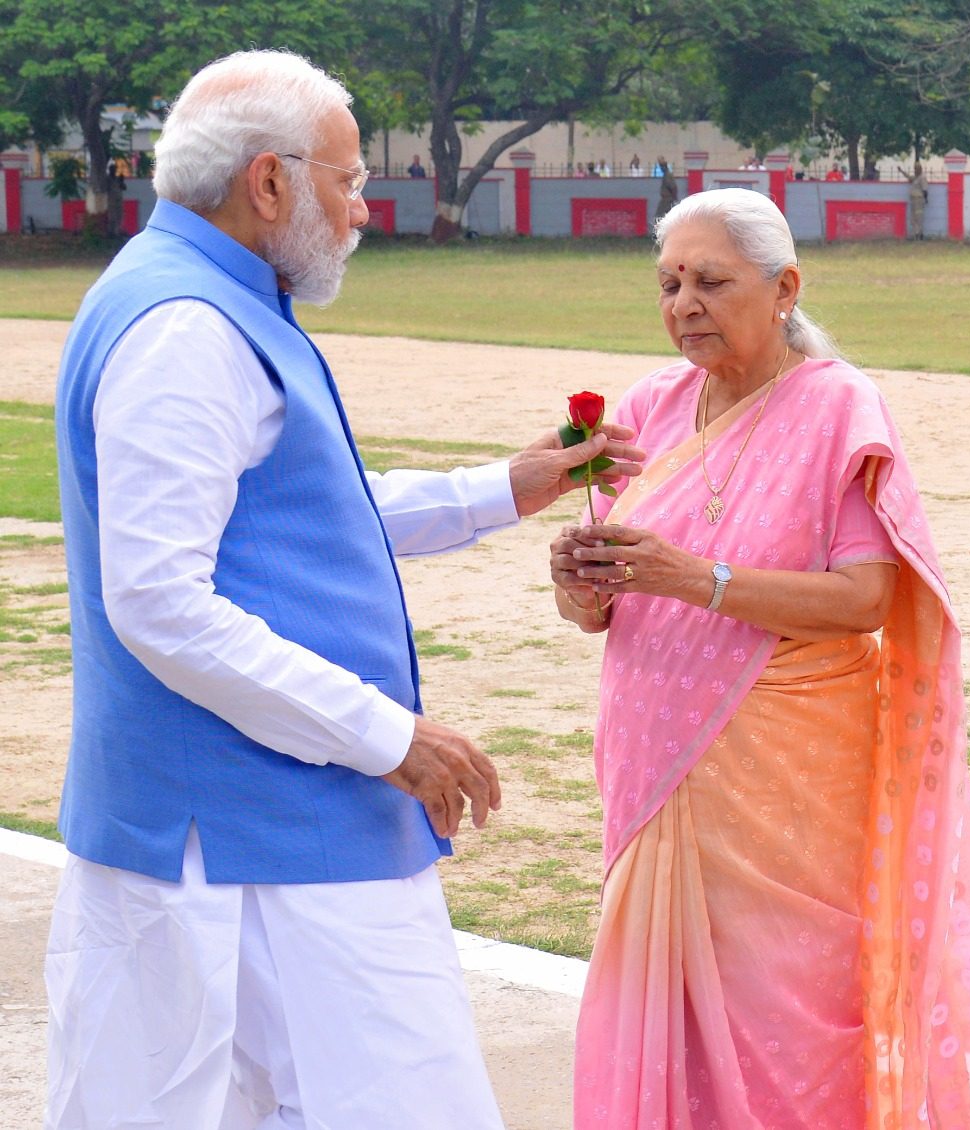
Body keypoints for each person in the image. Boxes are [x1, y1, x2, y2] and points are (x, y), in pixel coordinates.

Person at [46, 50, 642, 1129]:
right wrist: (386, 735)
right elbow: (161, 601)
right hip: (262, 841)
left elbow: (293, 515)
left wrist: (502, 489)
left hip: (242, 831)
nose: (364, 208)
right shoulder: (189, 326)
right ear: (270, 182)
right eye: (349, 179)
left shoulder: (197, 295)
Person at [548, 189, 970, 1129]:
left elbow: (866, 600)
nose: (684, 304)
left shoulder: (836, 405)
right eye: (669, 284)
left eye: (711, 281)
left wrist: (695, 579)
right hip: (654, 759)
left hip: (787, 778)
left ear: (785, 289)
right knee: (666, 1016)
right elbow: (599, 609)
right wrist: (579, 581)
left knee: (788, 1024)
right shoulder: (650, 406)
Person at [907, 158, 928, 239]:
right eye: (915, 168)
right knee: (913, 217)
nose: (915, 170)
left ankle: (920, 234)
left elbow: (925, 189)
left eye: (917, 168)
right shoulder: (915, 177)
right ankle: (916, 233)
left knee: (918, 217)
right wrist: (901, 171)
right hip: (913, 200)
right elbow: (909, 177)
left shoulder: (922, 177)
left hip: (919, 199)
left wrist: (926, 199)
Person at [653, 159, 679, 223]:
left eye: (661, 167)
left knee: (659, 215)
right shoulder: (666, 175)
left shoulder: (667, 175)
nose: (661, 169)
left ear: (664, 167)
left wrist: (674, 198)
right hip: (667, 199)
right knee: (665, 215)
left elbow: (673, 187)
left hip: (667, 199)